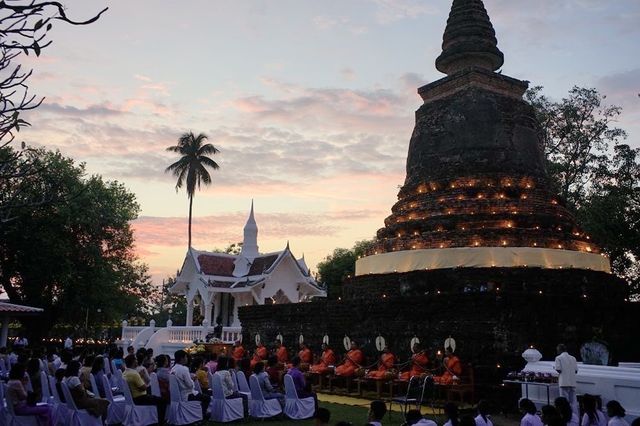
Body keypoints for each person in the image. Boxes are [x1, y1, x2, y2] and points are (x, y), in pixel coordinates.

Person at [123, 354, 167, 423]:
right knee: (162, 401)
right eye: (136, 359)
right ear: (133, 361)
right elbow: (144, 388)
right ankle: (160, 421)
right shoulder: (134, 374)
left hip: (133, 398)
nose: (137, 361)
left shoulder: (125, 373)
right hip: (140, 398)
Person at [173, 349, 211, 418]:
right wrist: (192, 380)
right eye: (186, 357)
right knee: (207, 398)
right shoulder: (184, 369)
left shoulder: (173, 369)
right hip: (187, 394)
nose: (187, 359)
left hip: (178, 394)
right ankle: (202, 415)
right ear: (182, 358)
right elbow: (190, 385)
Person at [554, 344, 578, 411]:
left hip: (564, 383)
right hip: (572, 382)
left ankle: (566, 416)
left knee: (564, 402)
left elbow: (559, 369)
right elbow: (576, 371)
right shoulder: (573, 358)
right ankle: (575, 416)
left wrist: (555, 368)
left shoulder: (558, 358)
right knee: (573, 402)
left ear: (560, 350)